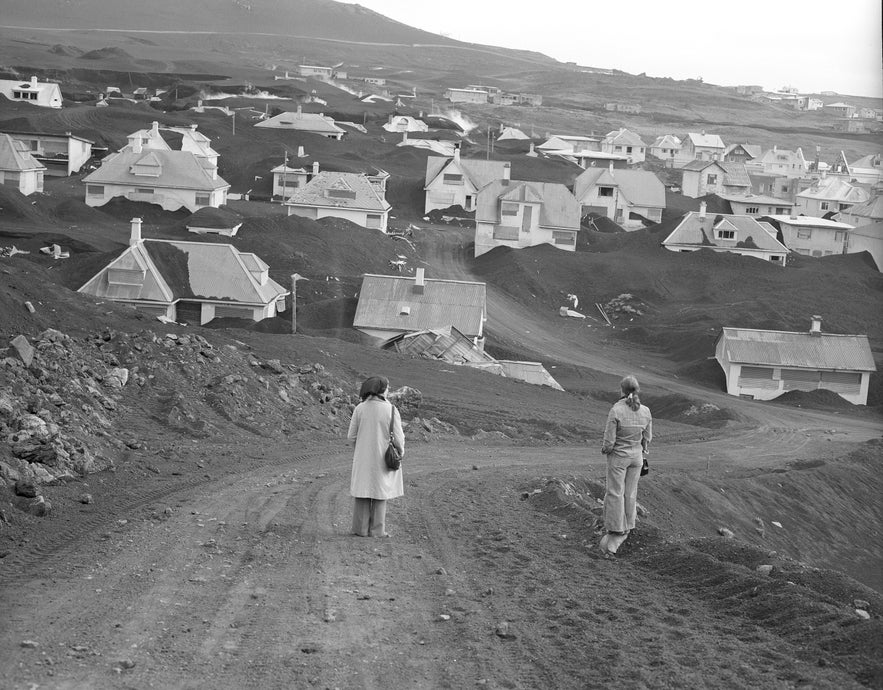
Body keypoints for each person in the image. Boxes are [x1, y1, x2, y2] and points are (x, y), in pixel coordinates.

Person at [599, 375, 652, 557]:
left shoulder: (616, 410)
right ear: (637, 390)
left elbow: (609, 440)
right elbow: (647, 438)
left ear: (621, 390)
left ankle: (616, 528)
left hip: (619, 457)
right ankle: (629, 524)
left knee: (615, 492)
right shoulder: (645, 411)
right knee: (630, 493)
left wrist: (605, 449)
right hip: (636, 457)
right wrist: (641, 448)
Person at [347, 376, 404, 537]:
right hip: (383, 457)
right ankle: (377, 530)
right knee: (380, 492)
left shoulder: (360, 408)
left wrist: (360, 449)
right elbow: (399, 438)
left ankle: (360, 529)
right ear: (382, 390)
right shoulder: (391, 410)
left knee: (362, 489)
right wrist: (400, 452)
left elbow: (351, 437)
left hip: (363, 457)